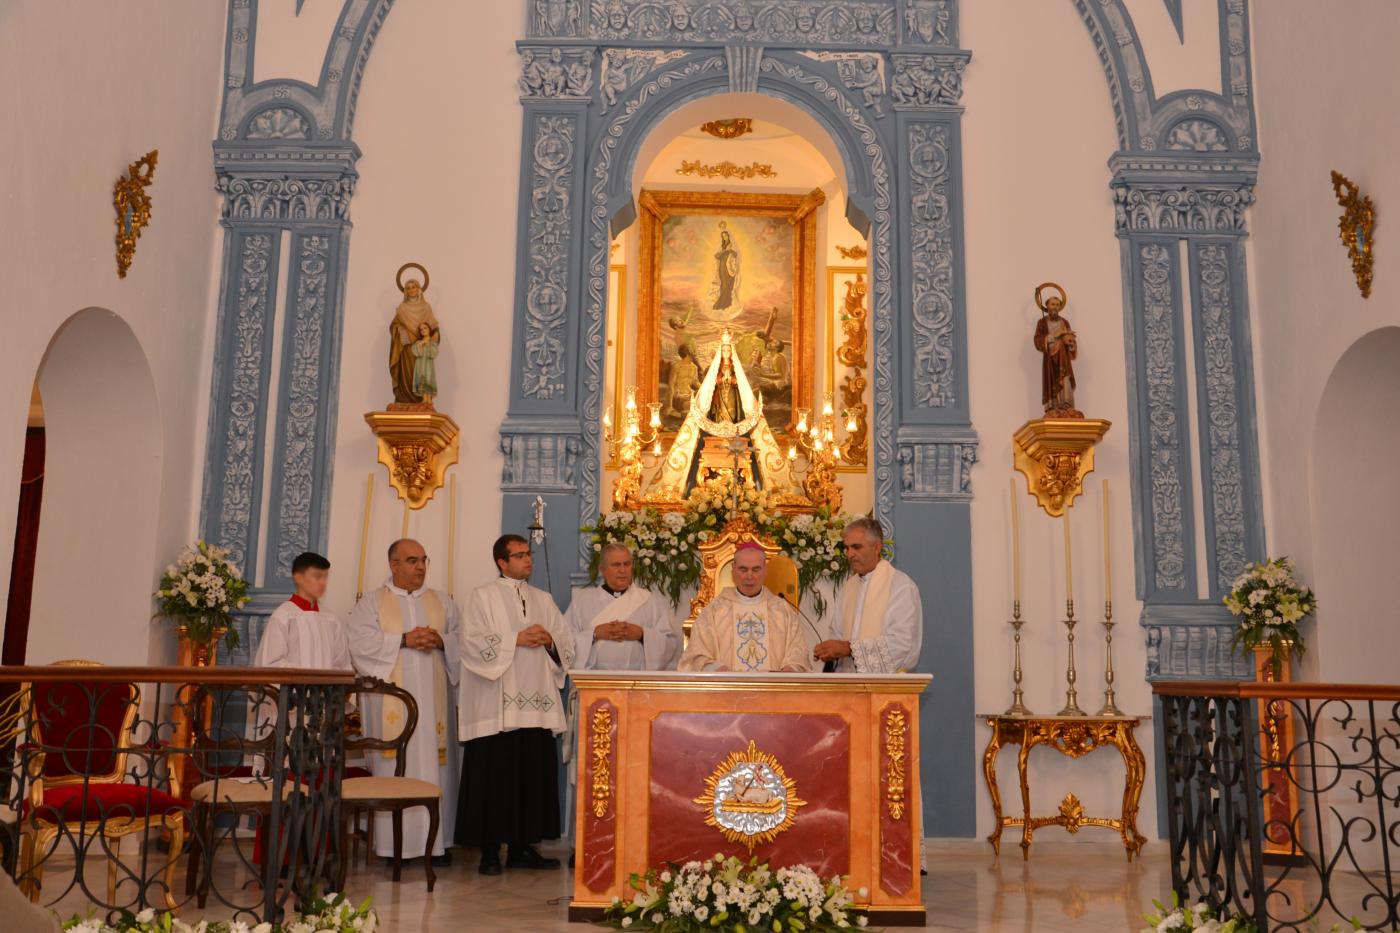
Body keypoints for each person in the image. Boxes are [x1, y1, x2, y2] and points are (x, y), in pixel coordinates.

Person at [456, 534, 576, 875]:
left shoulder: (543, 599)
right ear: (502, 562)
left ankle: (524, 847)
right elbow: (471, 642)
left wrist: (549, 640)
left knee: (530, 775)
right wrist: (516, 639)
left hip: (536, 703)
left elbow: (566, 640)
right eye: (520, 555)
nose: (528, 560)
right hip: (497, 706)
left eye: (528, 554)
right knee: (495, 777)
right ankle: (490, 852)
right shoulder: (482, 596)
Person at [346, 538, 461, 867]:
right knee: (395, 767)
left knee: (437, 768)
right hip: (391, 709)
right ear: (394, 565)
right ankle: (392, 846)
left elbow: (463, 639)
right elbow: (359, 644)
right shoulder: (371, 603)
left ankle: (436, 845)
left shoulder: (443, 602)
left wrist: (442, 640)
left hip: (433, 706)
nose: (420, 566)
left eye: (424, 560)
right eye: (412, 560)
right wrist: (403, 640)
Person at [679, 543, 812, 673]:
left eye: (756, 570)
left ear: (765, 570)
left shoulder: (781, 610)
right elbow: (696, 654)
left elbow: (797, 653)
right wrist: (715, 668)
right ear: (733, 570)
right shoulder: (715, 610)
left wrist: (791, 669)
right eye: (743, 569)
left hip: (773, 688)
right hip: (728, 686)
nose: (749, 576)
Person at [814, 517, 923, 672]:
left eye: (856, 547)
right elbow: (837, 634)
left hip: (887, 683)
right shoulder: (848, 588)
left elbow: (902, 643)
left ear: (877, 547)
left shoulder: (901, 586)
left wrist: (849, 649)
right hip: (849, 682)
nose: (850, 554)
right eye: (847, 548)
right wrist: (829, 652)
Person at [566, 543, 677, 671]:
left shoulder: (649, 601)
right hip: (594, 680)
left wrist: (642, 634)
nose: (623, 570)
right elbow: (565, 643)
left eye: (627, 564)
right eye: (616, 565)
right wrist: (595, 634)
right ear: (602, 569)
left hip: (637, 680)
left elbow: (669, 643)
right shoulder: (582, 601)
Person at [252, 552, 351, 670]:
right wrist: (307, 676)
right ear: (299, 578)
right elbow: (271, 663)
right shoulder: (284, 616)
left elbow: (342, 665)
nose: (323, 583)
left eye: (325, 577)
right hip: (294, 683)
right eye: (317, 576)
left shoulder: (331, 619)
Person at [389, 277, 440, 404]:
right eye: (408, 288)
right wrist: (399, 329)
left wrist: (435, 334)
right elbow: (395, 325)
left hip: (422, 349)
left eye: (413, 287)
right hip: (407, 347)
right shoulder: (402, 307)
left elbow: (433, 326)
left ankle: (422, 399)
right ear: (405, 291)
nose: (411, 290)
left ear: (419, 289)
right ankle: (405, 399)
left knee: (422, 373)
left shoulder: (426, 307)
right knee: (407, 374)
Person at [411, 322, 439, 402]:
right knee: (421, 379)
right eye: (421, 329)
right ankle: (424, 399)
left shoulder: (432, 343)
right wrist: (420, 345)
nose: (423, 330)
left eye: (425, 328)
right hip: (420, 365)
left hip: (428, 365)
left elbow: (434, 353)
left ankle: (429, 399)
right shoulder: (418, 342)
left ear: (429, 329)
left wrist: (428, 344)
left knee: (428, 379)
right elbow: (415, 352)